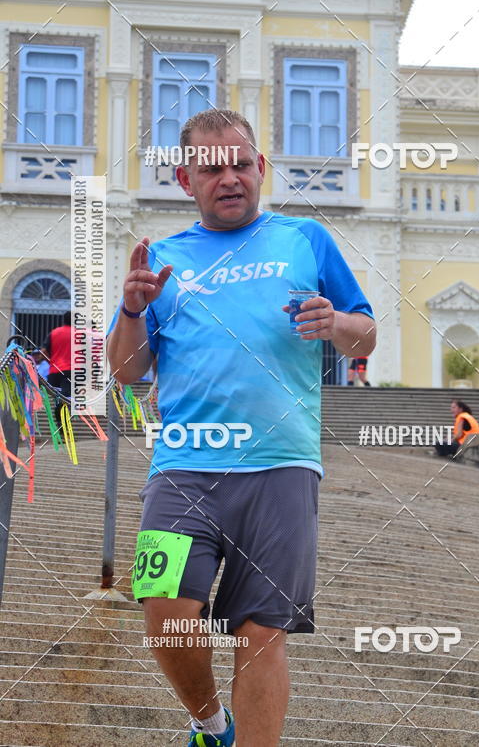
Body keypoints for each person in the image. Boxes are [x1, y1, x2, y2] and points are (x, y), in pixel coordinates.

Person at [106, 108, 376, 747]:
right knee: (164, 611)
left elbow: (365, 333)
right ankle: (209, 724)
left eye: (240, 164)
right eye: (210, 168)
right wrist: (132, 309)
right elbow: (126, 372)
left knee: (261, 633)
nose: (229, 178)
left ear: (260, 167)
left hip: (281, 467)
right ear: (184, 178)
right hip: (182, 468)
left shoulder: (306, 239)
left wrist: (335, 322)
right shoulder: (162, 258)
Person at [42, 311, 72, 431]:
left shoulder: (54, 333)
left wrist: (51, 362)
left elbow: (43, 351)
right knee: (65, 399)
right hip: (71, 372)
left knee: (61, 399)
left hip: (54, 373)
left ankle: (62, 425)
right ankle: (63, 427)